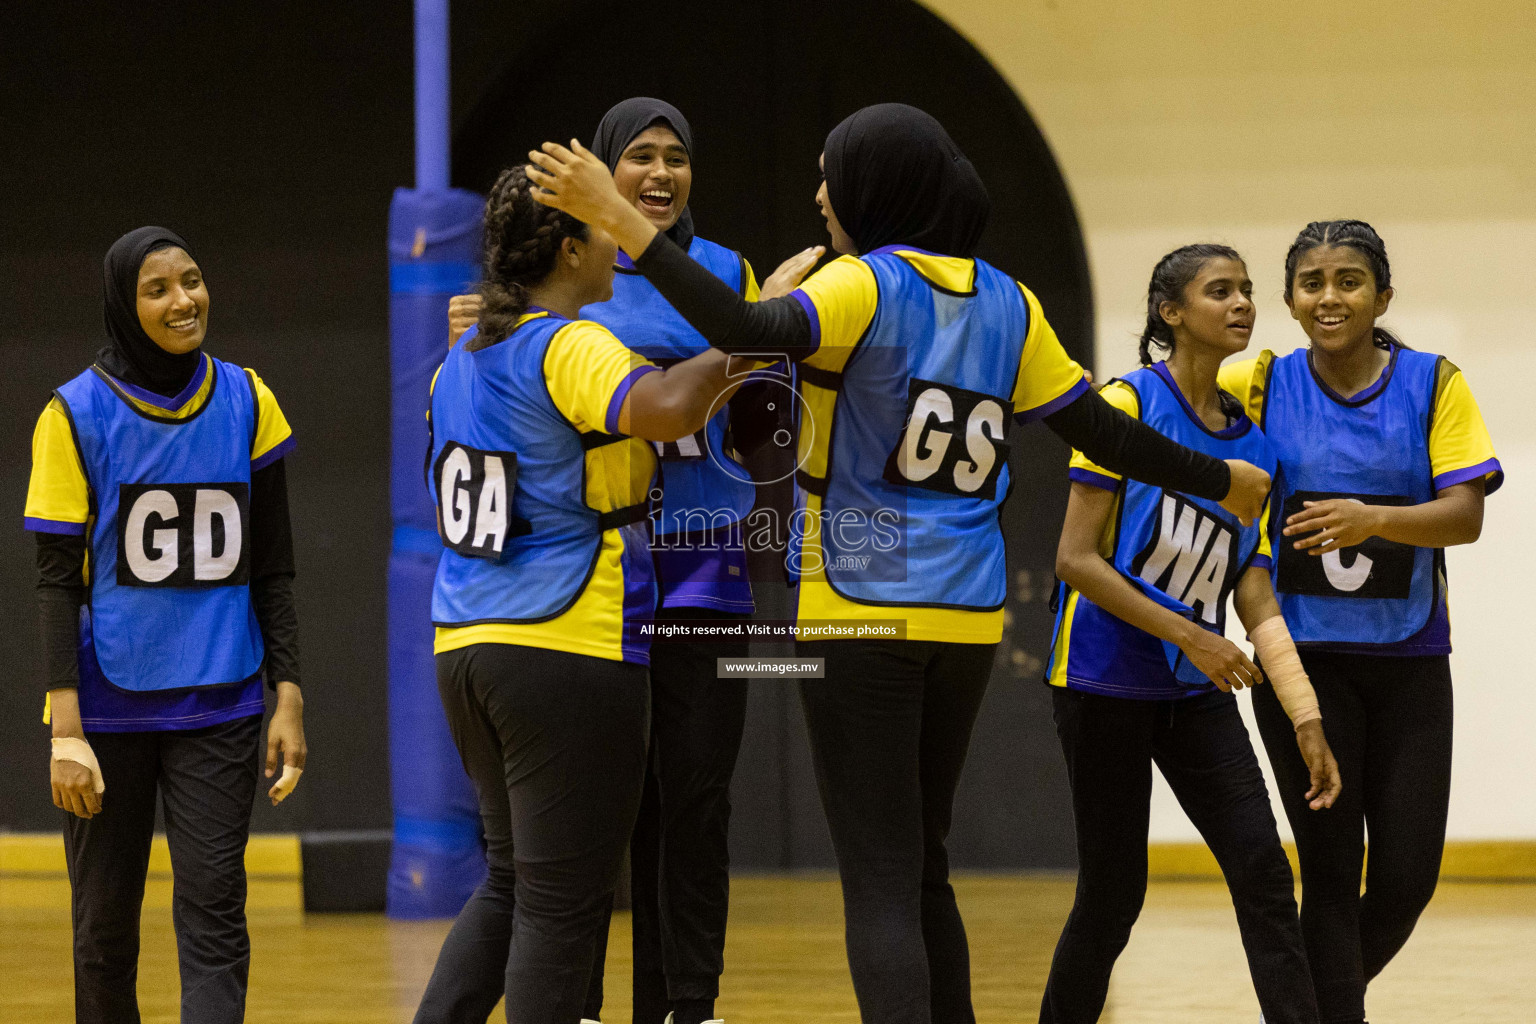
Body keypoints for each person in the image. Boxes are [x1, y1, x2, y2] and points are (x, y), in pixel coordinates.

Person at [523, 103, 1271, 1024]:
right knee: (923, 867)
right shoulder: (1011, 299)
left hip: (858, 614)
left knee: (878, 880)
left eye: (831, 174)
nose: (820, 194)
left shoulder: (863, 286)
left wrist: (622, 216)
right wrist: (1219, 476)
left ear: (878, 185)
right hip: (965, 622)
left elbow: (739, 321)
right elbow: (1104, 431)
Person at [444, 97, 818, 1024]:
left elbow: (762, 419)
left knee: (694, 792)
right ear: (598, 179)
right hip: (594, 564)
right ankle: (577, 999)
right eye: (640, 157)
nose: (660, 174)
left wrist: (764, 334)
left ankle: (687, 1001)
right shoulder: (557, 280)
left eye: (677, 157)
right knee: (593, 808)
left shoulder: (727, 273)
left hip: (701, 553)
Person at [1040, 244, 1342, 1024]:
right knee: (1111, 900)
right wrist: (1197, 639)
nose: (1242, 303)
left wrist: (1303, 712)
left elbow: (1253, 588)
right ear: (1171, 313)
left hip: (1192, 689)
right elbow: (1074, 560)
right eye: (1219, 291)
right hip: (1104, 680)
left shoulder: (1256, 450)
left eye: (1246, 290)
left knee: (1266, 877)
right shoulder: (1125, 406)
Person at [1219, 220, 1502, 1024]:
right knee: (1331, 871)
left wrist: (1374, 519)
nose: (1329, 297)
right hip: (1302, 665)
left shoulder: (1432, 381)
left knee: (1409, 877)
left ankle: (1306, 1003)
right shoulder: (1258, 383)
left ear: (1382, 297)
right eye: (1312, 282)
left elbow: (1464, 517)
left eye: (1348, 280)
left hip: (1410, 658)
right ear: (1289, 300)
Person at [25, 226, 307, 1024]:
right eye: (158, 289)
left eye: (192, 279)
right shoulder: (73, 414)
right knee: (103, 933)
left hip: (220, 702)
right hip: (105, 711)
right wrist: (65, 731)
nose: (184, 300)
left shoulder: (250, 398)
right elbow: (54, 584)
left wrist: (287, 694)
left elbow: (273, 567)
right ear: (125, 303)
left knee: (216, 914)